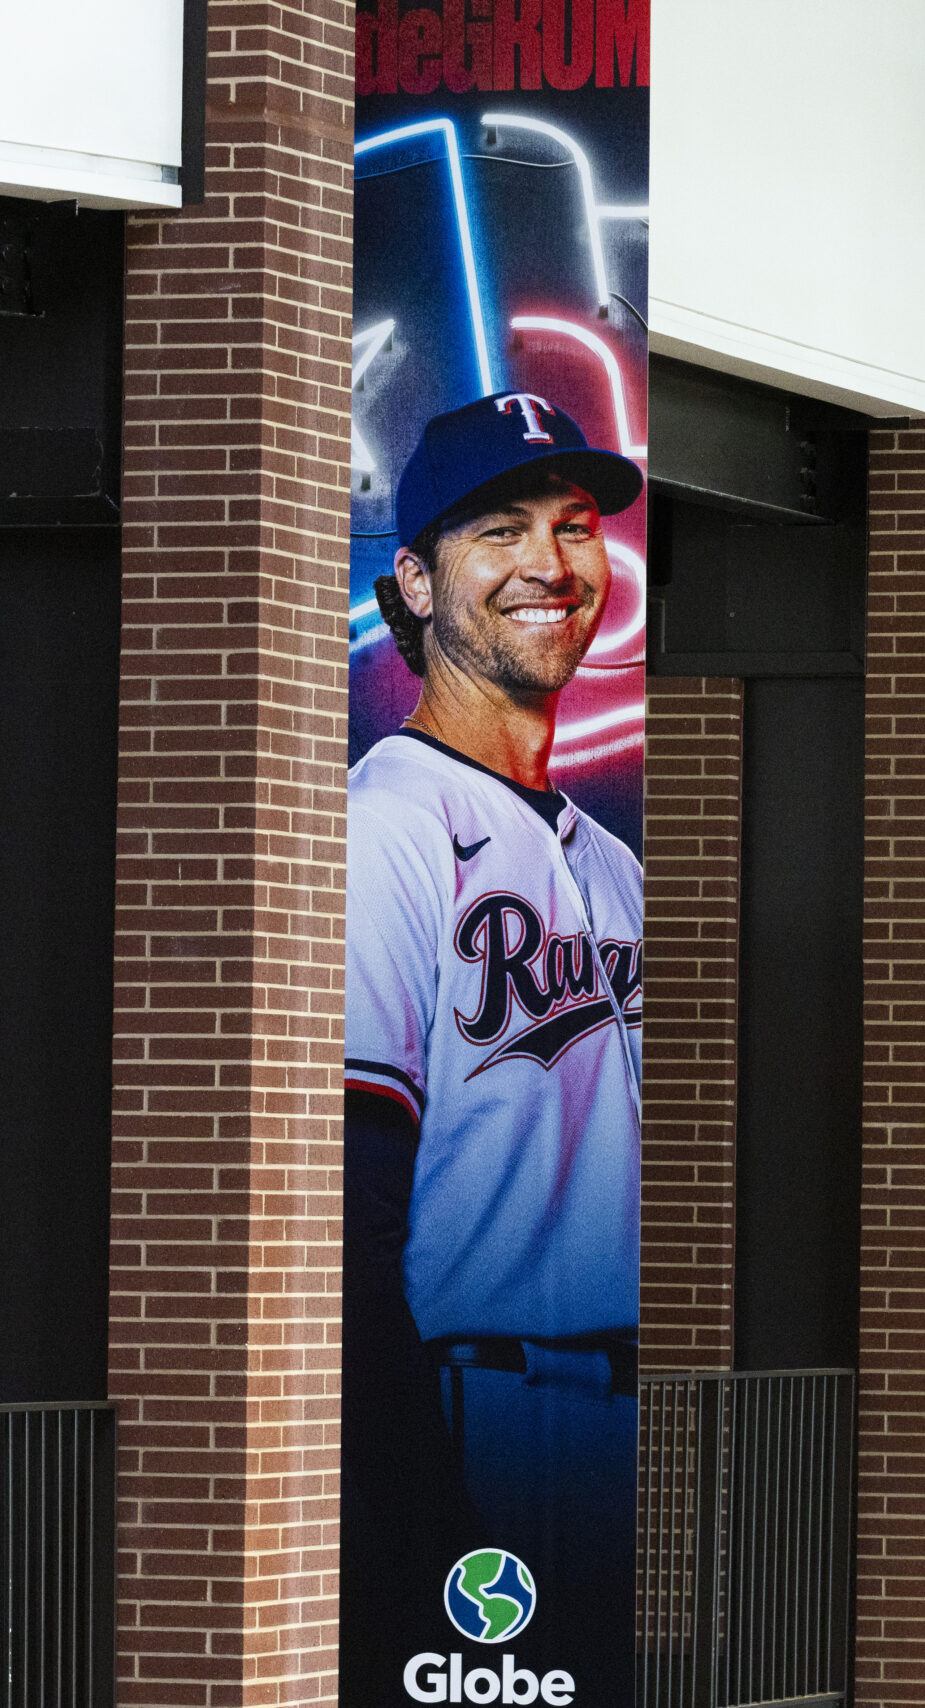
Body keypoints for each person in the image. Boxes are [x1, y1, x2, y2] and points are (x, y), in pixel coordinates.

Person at [342, 391, 645, 1687]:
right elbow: (347, 1202)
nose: (549, 564)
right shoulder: (390, 823)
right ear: (413, 580)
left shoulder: (619, 868)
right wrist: (412, 1494)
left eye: (574, 527)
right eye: (498, 531)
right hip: (475, 1406)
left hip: (604, 1418)